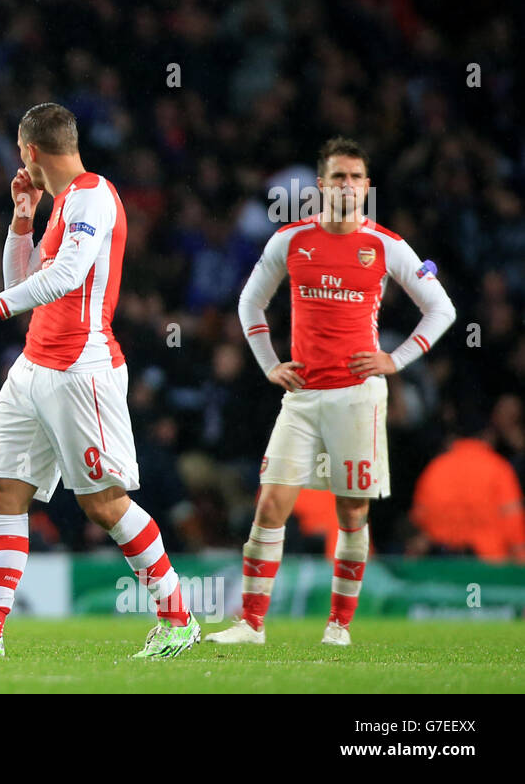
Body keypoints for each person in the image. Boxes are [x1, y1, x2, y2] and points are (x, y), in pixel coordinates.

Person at [0, 103, 200, 659]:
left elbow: (67, 278)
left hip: (80, 369)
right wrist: (23, 216)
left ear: (28, 151)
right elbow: (24, 282)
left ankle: (179, 618)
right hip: (33, 365)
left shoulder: (94, 195)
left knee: (104, 504)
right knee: (4, 490)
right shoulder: (63, 203)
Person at [212, 137, 457, 647]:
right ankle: (251, 625)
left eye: (356, 178)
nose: (347, 186)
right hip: (301, 397)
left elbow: (442, 309)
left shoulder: (386, 245)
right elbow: (249, 303)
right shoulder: (290, 241)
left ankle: (339, 626)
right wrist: (269, 364)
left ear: (367, 187)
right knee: (270, 505)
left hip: (358, 397)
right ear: (321, 186)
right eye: (338, 177)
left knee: (352, 512)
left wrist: (396, 359)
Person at [409, 417, 525, 563]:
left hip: (443, 564)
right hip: (490, 565)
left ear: (453, 437)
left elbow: (419, 517)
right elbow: (513, 521)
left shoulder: (436, 468)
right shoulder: (499, 469)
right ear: (488, 435)